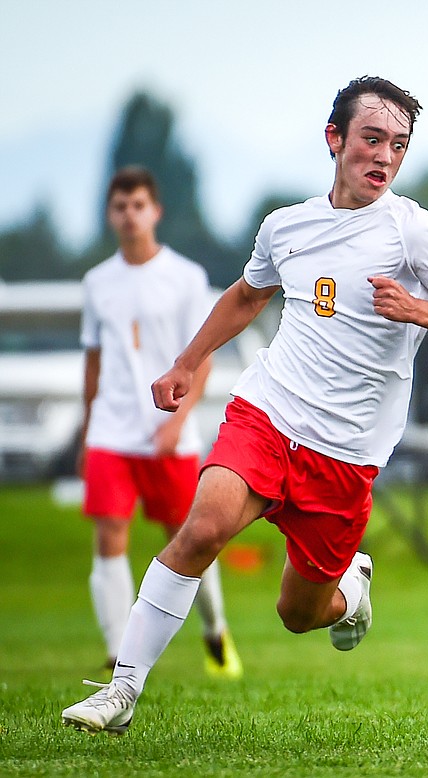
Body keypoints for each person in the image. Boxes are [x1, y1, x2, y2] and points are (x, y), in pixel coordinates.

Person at [62, 76, 428, 735]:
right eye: (372, 139)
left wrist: (414, 309)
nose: (384, 157)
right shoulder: (285, 226)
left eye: (398, 146)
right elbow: (248, 295)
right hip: (268, 413)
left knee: (298, 613)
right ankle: (121, 692)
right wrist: (186, 362)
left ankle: (350, 590)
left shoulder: (413, 232)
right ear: (335, 139)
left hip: (347, 453)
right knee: (203, 528)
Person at [79, 166, 241, 680]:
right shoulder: (96, 282)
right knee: (109, 534)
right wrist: (88, 431)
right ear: (110, 214)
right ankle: (116, 654)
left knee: (190, 539)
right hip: (112, 432)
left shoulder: (186, 278)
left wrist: (178, 421)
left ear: (156, 212)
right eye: (120, 207)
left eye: (138, 205)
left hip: (168, 433)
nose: (130, 216)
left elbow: (205, 355)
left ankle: (215, 631)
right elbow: (94, 360)